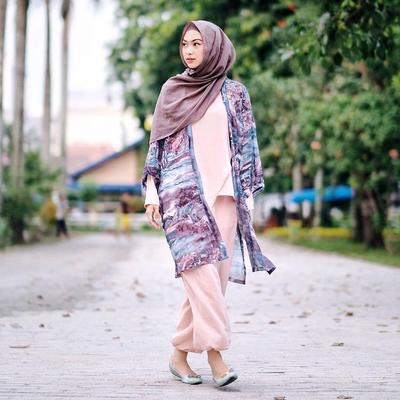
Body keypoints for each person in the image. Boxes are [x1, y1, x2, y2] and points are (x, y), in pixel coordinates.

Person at [142, 20, 277, 387]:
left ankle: (179, 354)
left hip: (227, 199)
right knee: (200, 278)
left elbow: (247, 146)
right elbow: (158, 148)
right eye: (185, 44)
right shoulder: (173, 91)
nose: (189, 51)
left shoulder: (235, 94)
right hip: (183, 201)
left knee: (211, 285)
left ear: (215, 47)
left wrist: (248, 198)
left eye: (197, 44)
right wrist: (152, 194)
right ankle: (217, 356)